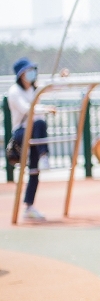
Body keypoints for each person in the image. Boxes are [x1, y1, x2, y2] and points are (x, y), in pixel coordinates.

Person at [6, 58, 51, 223]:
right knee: (39, 122)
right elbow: (26, 109)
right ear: (21, 74)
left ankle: (29, 206)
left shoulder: (34, 89)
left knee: (34, 170)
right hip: (21, 132)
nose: (32, 73)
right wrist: (45, 109)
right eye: (28, 70)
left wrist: (62, 78)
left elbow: (49, 88)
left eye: (33, 69)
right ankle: (44, 154)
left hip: (35, 135)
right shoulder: (14, 91)